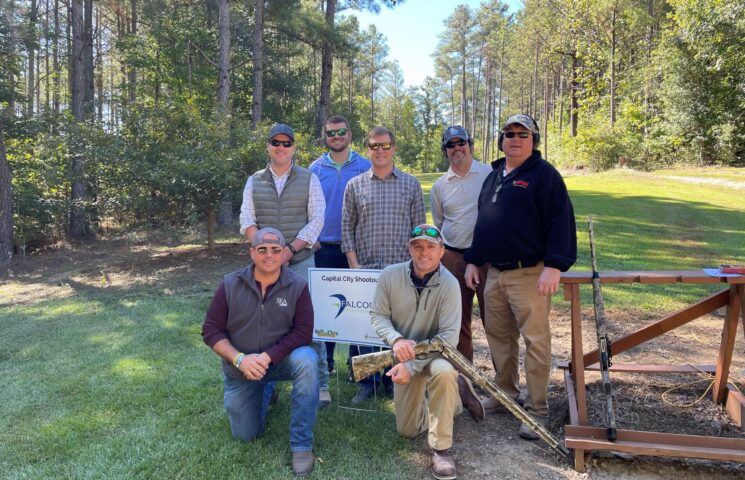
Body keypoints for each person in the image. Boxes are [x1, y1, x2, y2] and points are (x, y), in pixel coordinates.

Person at [464, 114, 577, 440]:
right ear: (501, 139)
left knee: (536, 343)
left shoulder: (545, 176)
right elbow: (484, 222)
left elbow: (561, 221)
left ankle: (538, 410)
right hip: (495, 274)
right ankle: (506, 394)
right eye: (509, 133)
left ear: (533, 140)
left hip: (530, 273)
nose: (515, 139)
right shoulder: (495, 175)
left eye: (522, 134)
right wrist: (473, 260)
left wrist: (554, 266)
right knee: (499, 338)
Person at [370, 224, 485, 480]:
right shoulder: (390, 276)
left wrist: (410, 366)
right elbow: (378, 315)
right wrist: (396, 339)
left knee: (444, 372)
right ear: (409, 249)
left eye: (431, 247)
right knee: (407, 431)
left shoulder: (450, 284)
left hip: (437, 357)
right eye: (417, 246)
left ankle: (441, 449)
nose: (424, 252)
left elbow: (447, 339)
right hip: (404, 355)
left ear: (442, 251)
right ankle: (454, 400)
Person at [201, 228, 319, 475]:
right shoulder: (230, 284)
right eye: (262, 250)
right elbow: (210, 330)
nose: (269, 255)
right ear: (252, 253)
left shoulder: (298, 286)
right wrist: (239, 359)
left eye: (276, 250)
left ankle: (301, 445)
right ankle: (266, 389)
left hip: (280, 360)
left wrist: (267, 357)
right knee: (245, 435)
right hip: (242, 367)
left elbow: (303, 333)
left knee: (308, 360)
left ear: (284, 254)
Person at [238, 123, 331, 407]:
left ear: (294, 148)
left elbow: (317, 219)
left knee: (309, 324)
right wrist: (266, 252)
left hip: (301, 260)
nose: (281, 147)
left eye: (286, 143)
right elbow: (246, 220)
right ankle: (268, 382)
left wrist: (288, 250)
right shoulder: (254, 180)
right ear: (267, 146)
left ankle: (322, 383)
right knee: (264, 323)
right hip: (263, 264)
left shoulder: (309, 178)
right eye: (275, 142)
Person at [341, 126, 427, 403]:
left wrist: (417, 268)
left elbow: (419, 231)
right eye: (374, 146)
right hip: (365, 270)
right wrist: (355, 268)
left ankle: (395, 378)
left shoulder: (410, 184)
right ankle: (368, 382)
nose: (380, 151)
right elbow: (347, 229)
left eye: (385, 146)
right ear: (367, 149)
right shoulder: (355, 185)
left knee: (399, 326)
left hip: (401, 270)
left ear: (394, 148)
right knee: (364, 328)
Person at [309, 115, 371, 376]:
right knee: (328, 309)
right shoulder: (315, 169)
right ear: (325, 137)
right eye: (331, 133)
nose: (336, 137)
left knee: (358, 309)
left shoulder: (365, 165)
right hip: (325, 248)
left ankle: (357, 366)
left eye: (341, 132)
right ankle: (329, 364)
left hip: (357, 248)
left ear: (350, 134)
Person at [430, 125, 491, 363]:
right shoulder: (440, 186)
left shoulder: (489, 174)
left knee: (494, 322)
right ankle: (464, 384)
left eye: (461, 142)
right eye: (450, 144)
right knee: (458, 322)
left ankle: (505, 388)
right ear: (445, 150)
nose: (457, 148)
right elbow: (439, 222)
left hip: (487, 259)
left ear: (470, 144)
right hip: (454, 258)